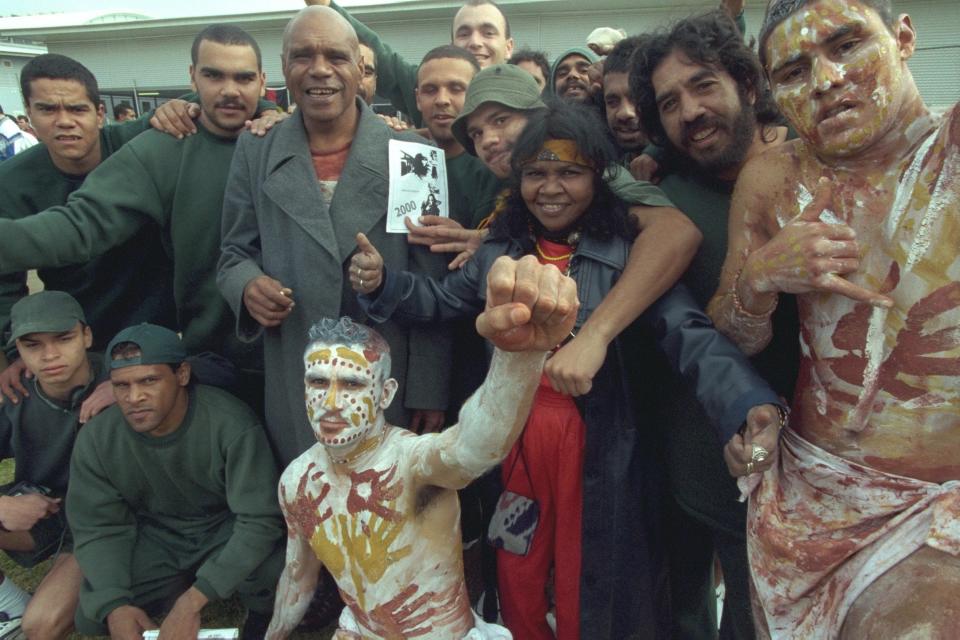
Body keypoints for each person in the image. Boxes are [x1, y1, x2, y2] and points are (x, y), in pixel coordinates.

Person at [351, 101, 785, 639]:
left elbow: (691, 336)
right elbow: (441, 300)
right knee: (517, 565)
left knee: (593, 578)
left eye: (570, 172)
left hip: (601, 448)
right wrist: (380, 283)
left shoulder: (628, 255)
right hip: (515, 444)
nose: (551, 188)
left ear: (598, 178)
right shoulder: (499, 252)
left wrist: (746, 404)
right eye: (536, 173)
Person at [705, 0, 960, 637]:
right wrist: (763, 275)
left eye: (847, 46)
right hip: (808, 493)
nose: (825, 80)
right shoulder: (772, 177)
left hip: (939, 508)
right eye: (794, 71)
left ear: (904, 38)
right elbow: (733, 333)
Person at [266, 265, 577, 639]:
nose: (331, 402)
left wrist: (518, 359)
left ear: (385, 393)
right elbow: (298, 577)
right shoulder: (298, 480)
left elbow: (472, 448)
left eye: (351, 384)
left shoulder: (411, 463)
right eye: (318, 382)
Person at [217, 6, 452, 467]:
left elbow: (434, 285)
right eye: (303, 56)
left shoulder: (415, 155)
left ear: (361, 67)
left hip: (387, 378)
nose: (320, 69)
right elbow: (232, 253)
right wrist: (247, 286)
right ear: (284, 68)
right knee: (312, 511)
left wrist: (429, 388)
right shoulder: (256, 149)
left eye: (336, 57)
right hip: (297, 377)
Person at [628, 11, 796, 639]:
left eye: (703, 85)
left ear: (748, 85)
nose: (689, 111)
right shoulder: (660, 202)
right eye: (669, 103)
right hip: (704, 468)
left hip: (821, 468)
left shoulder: (815, 172)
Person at [0, 25, 274, 408]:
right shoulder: (161, 148)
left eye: (243, 77)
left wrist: (273, 112)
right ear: (192, 76)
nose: (229, 89)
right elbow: (80, 226)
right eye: (213, 75)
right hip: (211, 362)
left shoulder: (285, 136)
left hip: (301, 354)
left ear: (262, 81)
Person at [67, 323, 284, 640]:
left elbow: (260, 519)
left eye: (149, 381)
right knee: (93, 616)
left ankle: (245, 601)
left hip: (224, 527)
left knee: (271, 572)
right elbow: (99, 527)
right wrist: (115, 605)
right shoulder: (98, 438)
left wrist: (192, 602)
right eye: (122, 386)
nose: (134, 397)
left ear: (182, 375)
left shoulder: (229, 422)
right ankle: (175, 583)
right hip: (161, 535)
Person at [0, 54, 176, 357]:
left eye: (77, 109)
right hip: (77, 332)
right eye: (47, 109)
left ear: (99, 113)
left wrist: (267, 112)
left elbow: (217, 94)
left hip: (162, 328)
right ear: (28, 113)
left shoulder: (135, 141)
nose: (65, 121)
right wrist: (14, 351)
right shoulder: (11, 181)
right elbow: (4, 285)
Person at [0, 291, 106, 639]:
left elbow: (210, 369)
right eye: (33, 345)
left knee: (41, 625)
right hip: (47, 512)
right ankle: (9, 607)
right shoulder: (17, 393)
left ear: (86, 336)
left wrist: (118, 390)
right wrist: (3, 506)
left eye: (63, 339)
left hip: (107, 525)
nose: (49, 355)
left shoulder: (127, 376)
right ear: (18, 350)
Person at [317, 0, 514, 126]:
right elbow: (384, 58)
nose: (475, 42)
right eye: (464, 33)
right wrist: (326, 6)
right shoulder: (432, 89)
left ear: (508, 47)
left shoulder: (535, 94)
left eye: (488, 33)